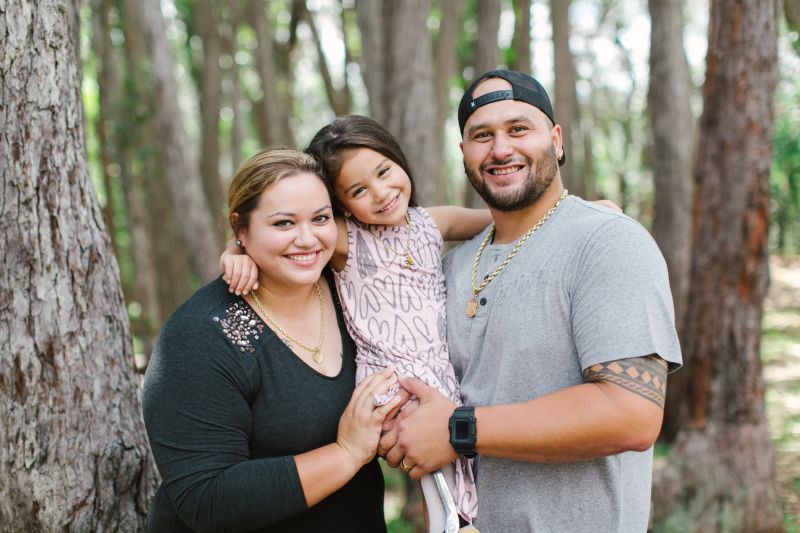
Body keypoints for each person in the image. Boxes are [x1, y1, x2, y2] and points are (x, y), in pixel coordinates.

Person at [378, 70, 683, 532]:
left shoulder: (606, 242)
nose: (501, 149)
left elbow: (631, 415)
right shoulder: (451, 267)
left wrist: (456, 430)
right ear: (464, 154)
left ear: (556, 140)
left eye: (518, 129)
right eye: (482, 136)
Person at [223, 115, 489, 531]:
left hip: (438, 370)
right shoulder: (346, 239)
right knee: (438, 461)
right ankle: (453, 523)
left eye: (384, 172)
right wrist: (234, 253)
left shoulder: (430, 223)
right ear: (341, 205)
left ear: (397, 160)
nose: (381, 194)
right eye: (359, 190)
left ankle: (464, 519)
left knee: (469, 452)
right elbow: (278, 227)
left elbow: (499, 220)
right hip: (390, 381)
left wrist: (571, 210)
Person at [141, 148, 404, 532]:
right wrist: (345, 454)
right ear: (241, 229)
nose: (307, 238)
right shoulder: (200, 336)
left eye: (320, 218)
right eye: (283, 223)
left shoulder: (351, 292)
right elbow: (206, 498)